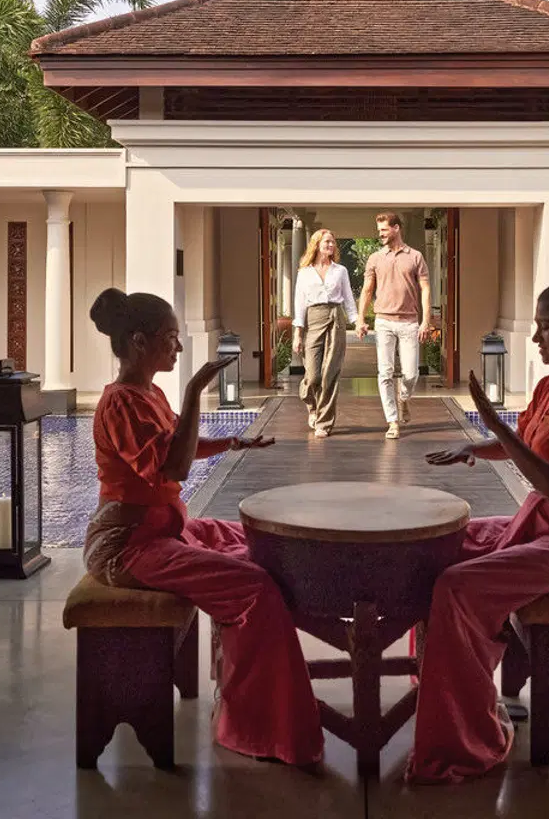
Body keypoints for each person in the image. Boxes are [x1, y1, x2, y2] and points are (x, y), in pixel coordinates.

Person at [83, 287, 324, 767]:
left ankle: (242, 690)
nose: (176, 347)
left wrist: (231, 442)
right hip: (127, 545)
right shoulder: (120, 404)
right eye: (170, 338)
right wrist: (195, 392)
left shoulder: (148, 393)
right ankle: (259, 722)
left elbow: (180, 445)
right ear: (138, 342)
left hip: (163, 529)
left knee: (251, 542)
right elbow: (171, 469)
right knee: (253, 585)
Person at [408, 281, 549, 784]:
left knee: (456, 586)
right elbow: (524, 445)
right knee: (435, 549)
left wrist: (494, 427)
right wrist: (474, 447)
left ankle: (467, 724)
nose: (534, 339)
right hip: (542, 526)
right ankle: (443, 693)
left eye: (544, 326)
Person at [355, 212, 431, 440]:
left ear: (396, 228)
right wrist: (360, 319)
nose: (380, 234)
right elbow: (367, 290)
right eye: (379, 230)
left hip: (409, 322)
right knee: (385, 373)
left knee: (411, 374)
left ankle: (404, 398)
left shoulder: (415, 256)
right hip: (384, 322)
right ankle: (392, 421)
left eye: (384, 230)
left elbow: (425, 289)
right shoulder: (375, 258)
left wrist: (425, 321)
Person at [291, 228, 357, 438]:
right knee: (313, 375)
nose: (331, 245)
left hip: (336, 317)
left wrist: (357, 322)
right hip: (313, 317)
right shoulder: (304, 272)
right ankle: (311, 403)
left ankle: (324, 422)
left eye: (333, 242)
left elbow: (348, 299)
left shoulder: (341, 271)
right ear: (316, 244)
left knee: (330, 373)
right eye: (327, 241)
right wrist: (297, 333)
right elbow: (299, 304)